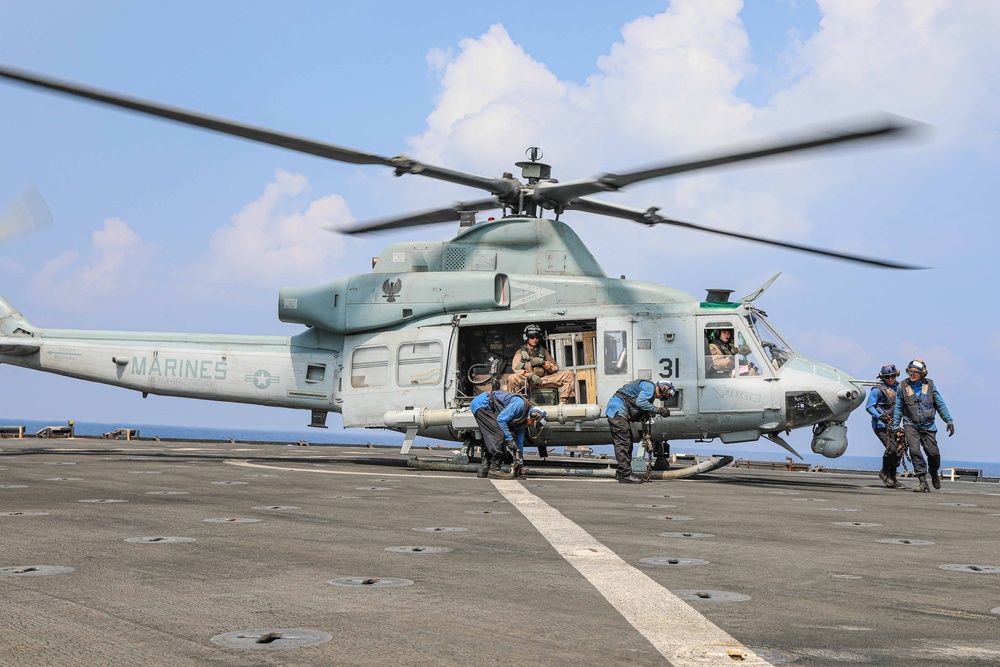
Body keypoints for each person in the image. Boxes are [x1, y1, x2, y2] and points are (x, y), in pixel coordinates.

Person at [892, 358, 954, 493]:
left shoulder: (930, 385)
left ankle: (933, 471)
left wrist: (948, 420)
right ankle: (922, 481)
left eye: (916, 373)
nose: (912, 375)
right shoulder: (902, 386)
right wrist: (895, 424)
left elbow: (940, 403)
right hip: (910, 424)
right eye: (910, 372)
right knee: (914, 451)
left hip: (928, 425)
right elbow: (898, 407)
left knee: (933, 454)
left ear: (922, 374)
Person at [605, 380, 674, 484]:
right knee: (624, 443)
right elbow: (640, 402)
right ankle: (625, 475)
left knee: (627, 442)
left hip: (617, 411)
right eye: (664, 396)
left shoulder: (647, 391)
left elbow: (635, 405)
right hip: (617, 411)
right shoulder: (649, 387)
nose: (661, 398)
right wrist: (658, 410)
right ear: (663, 388)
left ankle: (622, 472)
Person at [470, 390, 547, 478]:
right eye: (535, 424)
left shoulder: (522, 422)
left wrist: (519, 463)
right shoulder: (520, 404)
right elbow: (501, 419)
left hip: (483, 406)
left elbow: (519, 443)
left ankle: (484, 468)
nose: (533, 427)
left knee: (491, 436)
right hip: (482, 404)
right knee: (498, 435)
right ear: (533, 416)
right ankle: (494, 469)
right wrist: (509, 440)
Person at [504, 324, 576, 404]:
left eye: (537, 337)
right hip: (527, 382)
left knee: (569, 374)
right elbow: (516, 369)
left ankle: (563, 401)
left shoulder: (543, 351)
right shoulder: (520, 353)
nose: (535, 339)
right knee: (512, 378)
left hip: (542, 380)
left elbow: (554, 368)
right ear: (526, 337)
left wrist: (543, 363)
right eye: (532, 337)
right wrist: (531, 375)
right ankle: (515, 403)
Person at [865, 364, 904, 489]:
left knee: (898, 450)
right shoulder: (877, 390)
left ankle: (892, 478)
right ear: (883, 377)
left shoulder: (899, 388)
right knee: (891, 449)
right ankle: (884, 472)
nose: (891, 379)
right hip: (881, 425)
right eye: (888, 377)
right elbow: (869, 406)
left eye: (893, 376)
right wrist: (879, 416)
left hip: (895, 425)